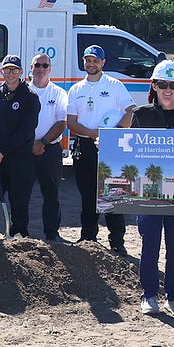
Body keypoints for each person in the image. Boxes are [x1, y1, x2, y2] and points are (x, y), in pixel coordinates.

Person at [133, 60, 174, 316]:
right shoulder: (142, 114)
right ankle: (149, 295)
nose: (168, 89)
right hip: (148, 191)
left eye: (173, 85)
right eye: (163, 84)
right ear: (154, 86)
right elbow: (131, 152)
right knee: (149, 244)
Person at [67, 44, 135, 255]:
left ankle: (117, 241)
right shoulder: (76, 89)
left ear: (103, 62)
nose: (91, 64)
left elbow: (130, 111)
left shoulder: (114, 85)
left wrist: (112, 135)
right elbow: (71, 122)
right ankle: (88, 238)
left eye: (95, 60)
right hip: (85, 146)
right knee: (87, 195)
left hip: (110, 147)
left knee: (112, 194)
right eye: (88, 60)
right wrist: (92, 134)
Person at [0, 55, 39, 238]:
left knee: (19, 199)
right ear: (2, 71)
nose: (11, 73)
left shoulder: (30, 97)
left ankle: (18, 234)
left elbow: (25, 132)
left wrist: (4, 152)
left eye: (14, 70)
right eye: (7, 70)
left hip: (19, 156)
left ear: (21, 72)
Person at [28, 52, 69, 241]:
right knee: (21, 192)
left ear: (50, 69)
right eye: (37, 65)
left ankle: (52, 233)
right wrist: (31, 144)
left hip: (50, 149)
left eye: (45, 66)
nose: (40, 69)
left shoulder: (59, 93)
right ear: (31, 68)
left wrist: (42, 143)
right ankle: (19, 230)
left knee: (51, 193)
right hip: (25, 149)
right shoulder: (23, 90)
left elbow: (62, 123)